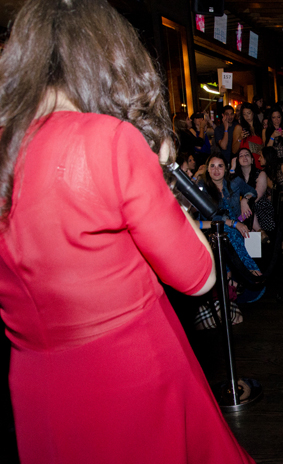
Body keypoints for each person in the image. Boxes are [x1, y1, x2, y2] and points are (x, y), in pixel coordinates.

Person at [0, 1, 255, 463]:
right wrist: (159, 175)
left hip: (35, 379)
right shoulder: (109, 139)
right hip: (129, 368)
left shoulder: (6, 147)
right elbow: (199, 276)